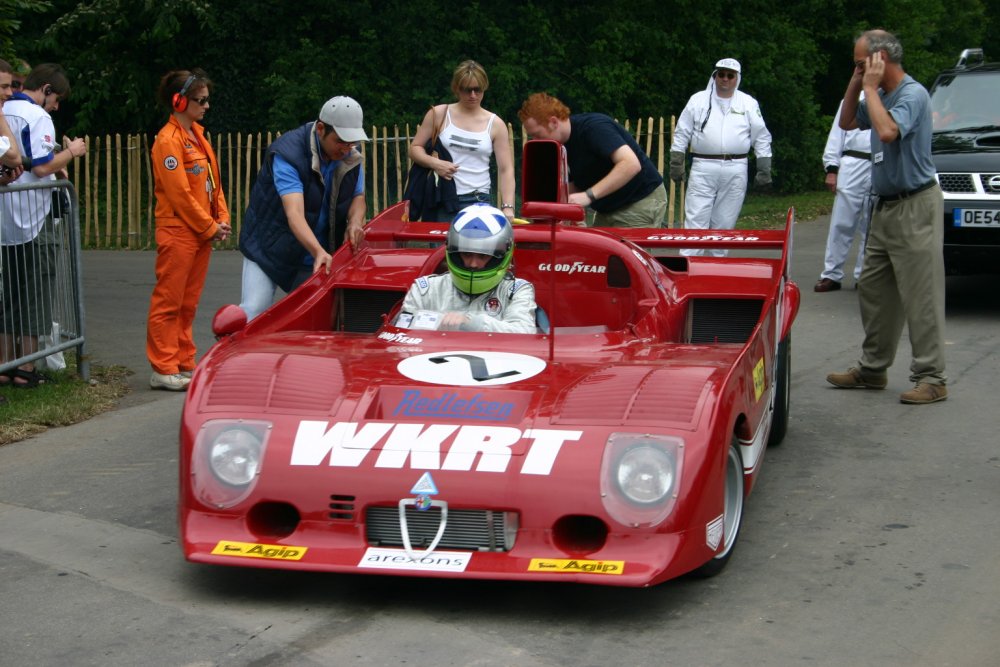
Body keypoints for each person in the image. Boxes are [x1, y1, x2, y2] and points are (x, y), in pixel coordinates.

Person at [826, 30, 947, 405]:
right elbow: (847, 123)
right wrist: (855, 83)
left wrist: (872, 89)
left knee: (920, 297)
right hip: (885, 206)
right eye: (856, 64)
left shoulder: (912, 94)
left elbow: (887, 131)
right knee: (875, 292)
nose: (858, 69)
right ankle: (874, 368)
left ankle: (932, 378)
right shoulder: (874, 92)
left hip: (915, 205)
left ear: (881, 59)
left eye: (861, 62)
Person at [238, 96, 368, 320]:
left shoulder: (350, 156)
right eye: (341, 141)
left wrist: (355, 222)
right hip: (267, 248)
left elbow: (358, 197)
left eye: (352, 142)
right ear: (320, 129)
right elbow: (294, 214)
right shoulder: (287, 155)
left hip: (313, 256)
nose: (347, 149)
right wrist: (318, 251)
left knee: (314, 320)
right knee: (253, 312)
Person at [1, 63, 87, 389]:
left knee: (10, 295)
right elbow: (40, 167)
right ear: (46, 89)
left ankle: (7, 365)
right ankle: (26, 368)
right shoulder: (38, 117)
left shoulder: (5, 110)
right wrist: (71, 152)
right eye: (56, 99)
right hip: (34, 219)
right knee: (36, 293)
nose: (56, 106)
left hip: (7, 220)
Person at [146, 69, 230, 391]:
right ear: (179, 101)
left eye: (207, 99)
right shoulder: (167, 142)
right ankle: (163, 367)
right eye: (201, 100)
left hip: (200, 232)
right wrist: (210, 225)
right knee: (169, 301)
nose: (207, 105)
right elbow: (180, 195)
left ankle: (183, 362)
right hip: (180, 230)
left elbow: (212, 181)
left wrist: (220, 216)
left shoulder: (197, 134)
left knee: (188, 304)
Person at [669, 58, 773, 256]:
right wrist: (676, 161)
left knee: (725, 222)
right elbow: (682, 132)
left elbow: (761, 136)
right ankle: (688, 269)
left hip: (736, 166)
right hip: (703, 165)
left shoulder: (748, 103)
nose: (725, 79)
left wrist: (764, 167)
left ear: (737, 78)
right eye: (721, 74)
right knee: (696, 220)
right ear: (715, 76)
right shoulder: (698, 100)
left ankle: (717, 269)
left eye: (730, 75)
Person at [517, 92, 667, 228]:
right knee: (597, 254)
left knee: (622, 256)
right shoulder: (559, 146)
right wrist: (559, 207)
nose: (535, 140)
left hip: (639, 200)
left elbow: (631, 164)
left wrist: (588, 196)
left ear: (554, 122)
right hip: (609, 207)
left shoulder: (594, 128)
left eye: (537, 134)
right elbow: (576, 184)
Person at [395, 203, 536, 333]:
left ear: (501, 255)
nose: (473, 264)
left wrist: (471, 322)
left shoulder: (516, 291)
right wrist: (439, 321)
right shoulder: (425, 289)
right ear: (454, 251)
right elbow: (401, 329)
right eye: (467, 254)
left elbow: (524, 331)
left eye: (483, 256)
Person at [408, 60, 516, 222]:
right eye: (467, 90)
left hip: (479, 201)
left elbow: (506, 169)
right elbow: (414, 148)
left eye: (477, 90)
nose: (473, 95)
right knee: (440, 248)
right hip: (442, 199)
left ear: (484, 88)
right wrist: (435, 163)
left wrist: (508, 207)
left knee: (475, 248)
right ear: (457, 89)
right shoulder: (439, 114)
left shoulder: (495, 124)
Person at [815, 97, 873, 292]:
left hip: (880, 162)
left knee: (872, 225)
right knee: (842, 222)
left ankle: (865, 275)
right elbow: (837, 133)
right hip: (852, 160)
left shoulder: (892, 96)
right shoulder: (853, 98)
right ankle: (832, 274)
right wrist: (832, 168)